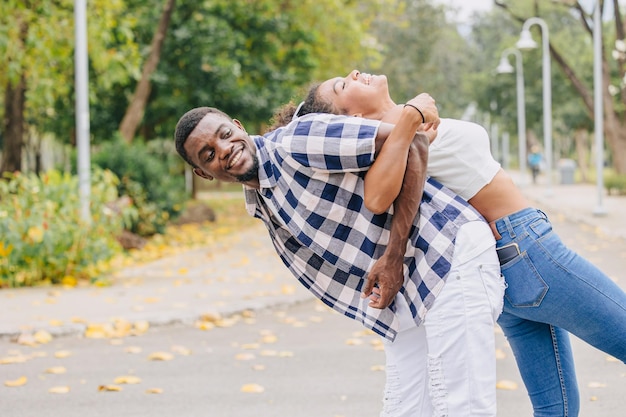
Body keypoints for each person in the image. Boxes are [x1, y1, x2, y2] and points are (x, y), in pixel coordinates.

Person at [284, 68, 626, 417]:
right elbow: (376, 198)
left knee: (557, 409)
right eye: (343, 85)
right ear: (353, 117)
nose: (354, 73)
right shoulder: (398, 140)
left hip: (504, 262)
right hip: (528, 250)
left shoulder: (405, 131)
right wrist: (410, 120)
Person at [175, 101, 504, 416]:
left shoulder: (298, 140)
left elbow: (414, 139)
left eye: (224, 135)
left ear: (237, 126)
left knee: (462, 406)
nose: (224, 149)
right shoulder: (261, 198)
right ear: (203, 173)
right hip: (410, 286)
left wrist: (393, 255)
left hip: (446, 252)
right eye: (209, 154)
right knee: (404, 409)